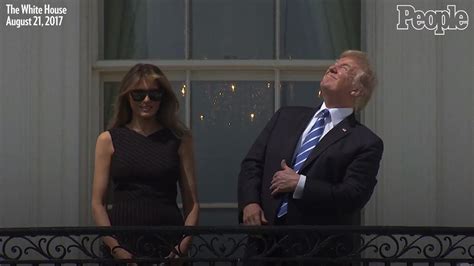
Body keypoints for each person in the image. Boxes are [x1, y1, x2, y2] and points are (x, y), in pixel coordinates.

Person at [238, 50, 384, 263]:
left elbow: (353, 195)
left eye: (345, 68)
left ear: (357, 89)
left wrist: (300, 184)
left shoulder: (364, 142)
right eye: (335, 63)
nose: (332, 67)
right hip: (263, 246)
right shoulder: (285, 117)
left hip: (316, 252)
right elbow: (253, 163)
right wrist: (250, 203)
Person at [91, 63, 199, 264]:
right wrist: (116, 248)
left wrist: (182, 247)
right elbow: (98, 204)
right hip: (122, 243)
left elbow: (191, 204)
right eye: (138, 94)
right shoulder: (108, 140)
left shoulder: (179, 139)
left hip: (168, 244)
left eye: (154, 94)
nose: (147, 100)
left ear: (163, 97)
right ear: (127, 97)